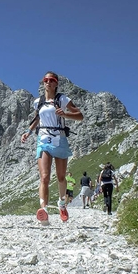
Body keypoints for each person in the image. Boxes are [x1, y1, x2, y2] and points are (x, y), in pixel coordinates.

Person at [21, 71, 83, 225]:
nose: (48, 82)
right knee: (44, 177)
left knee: (61, 177)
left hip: (59, 140)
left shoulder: (62, 99)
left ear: (56, 84)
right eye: (45, 80)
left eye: (51, 80)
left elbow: (80, 115)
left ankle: (61, 204)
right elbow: (37, 118)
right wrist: (28, 132)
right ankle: (44, 210)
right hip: (43, 140)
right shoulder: (39, 101)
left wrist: (65, 114)